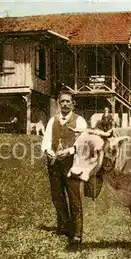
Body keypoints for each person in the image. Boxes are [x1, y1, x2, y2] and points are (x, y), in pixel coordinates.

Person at [41, 90, 88, 249]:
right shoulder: (52, 121)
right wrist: (49, 151)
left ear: (73, 103)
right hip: (54, 163)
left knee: (74, 198)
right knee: (57, 196)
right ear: (58, 103)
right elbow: (46, 141)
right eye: (62, 101)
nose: (65, 104)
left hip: (72, 163)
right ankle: (65, 226)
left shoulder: (80, 121)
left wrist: (69, 151)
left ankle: (77, 233)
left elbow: (83, 143)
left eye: (68, 101)